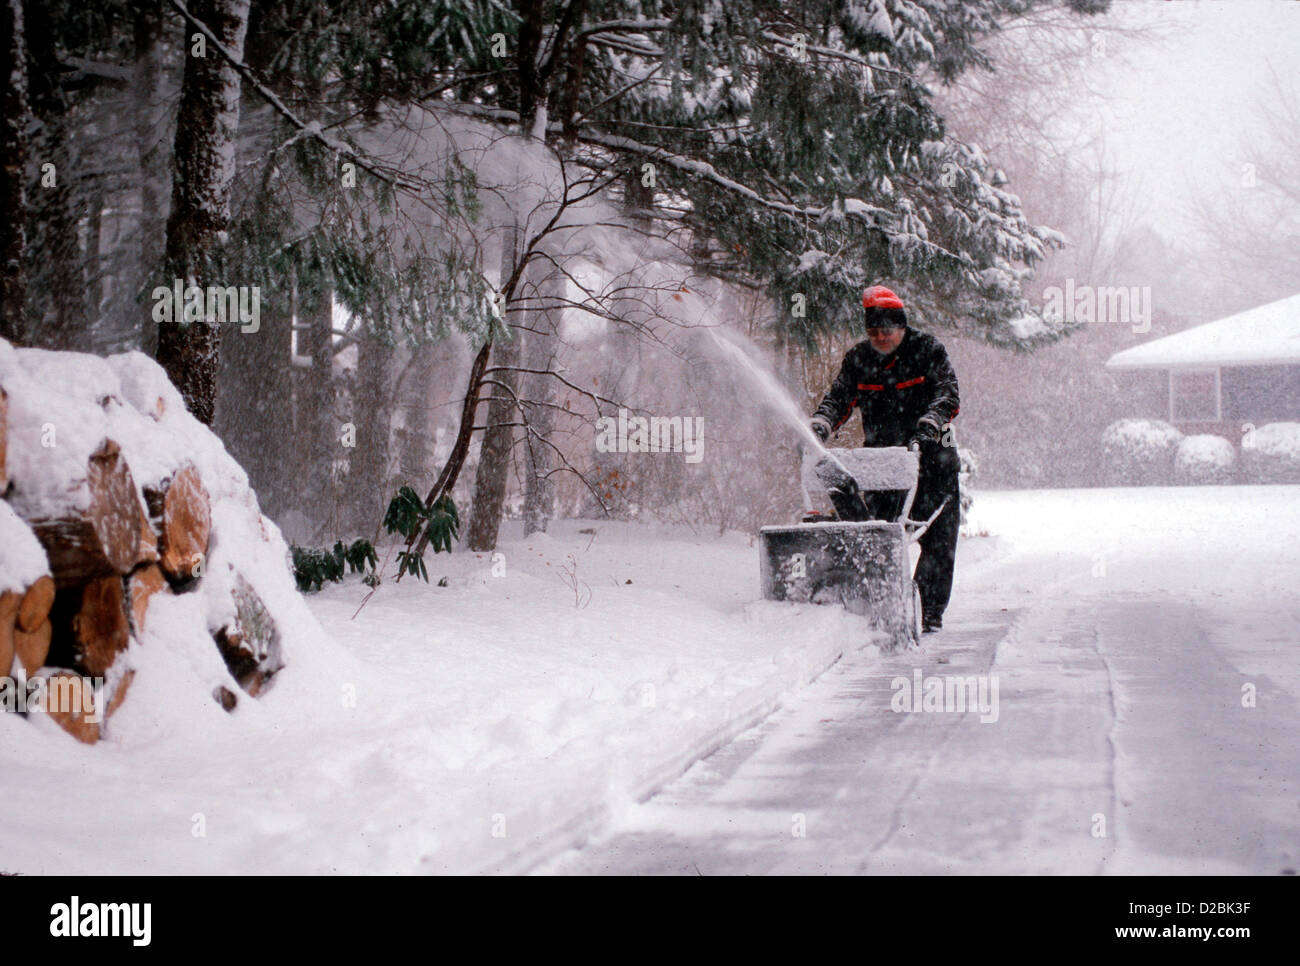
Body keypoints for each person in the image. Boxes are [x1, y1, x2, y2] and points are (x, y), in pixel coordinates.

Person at [809, 285, 960, 633]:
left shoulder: (928, 351)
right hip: (883, 462)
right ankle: (878, 604)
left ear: (902, 326)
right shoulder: (859, 360)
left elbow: (948, 394)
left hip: (934, 459)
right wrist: (821, 424)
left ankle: (930, 613)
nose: (880, 337)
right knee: (878, 535)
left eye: (887, 330)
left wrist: (930, 423)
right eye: (873, 331)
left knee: (937, 541)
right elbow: (839, 398)